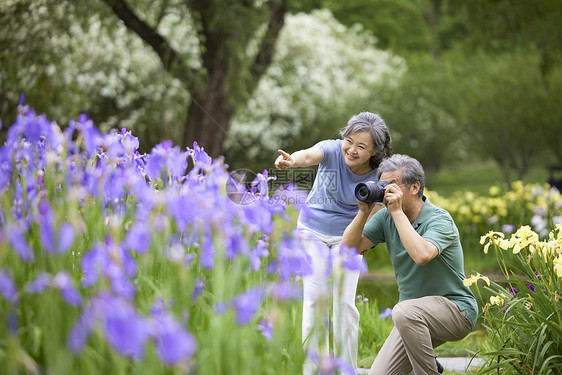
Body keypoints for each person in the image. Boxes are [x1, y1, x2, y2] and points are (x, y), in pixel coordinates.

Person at [274, 112, 393, 374]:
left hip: (347, 238)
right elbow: (307, 155)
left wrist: (360, 243)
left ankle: (346, 369)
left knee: (345, 304)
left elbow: (373, 218)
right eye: (348, 141)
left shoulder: (381, 173)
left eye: (361, 146)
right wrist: (292, 161)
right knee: (314, 300)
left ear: (375, 152)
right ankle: (312, 369)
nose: (351, 150)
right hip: (312, 232)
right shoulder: (331, 150)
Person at [342, 154, 478, 375]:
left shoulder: (439, 220)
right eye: (383, 186)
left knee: (404, 311)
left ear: (415, 187)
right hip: (411, 317)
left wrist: (396, 213)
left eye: (392, 185)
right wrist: (363, 212)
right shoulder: (385, 217)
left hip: (456, 310)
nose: (386, 192)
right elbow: (346, 249)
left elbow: (422, 255)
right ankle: (428, 362)